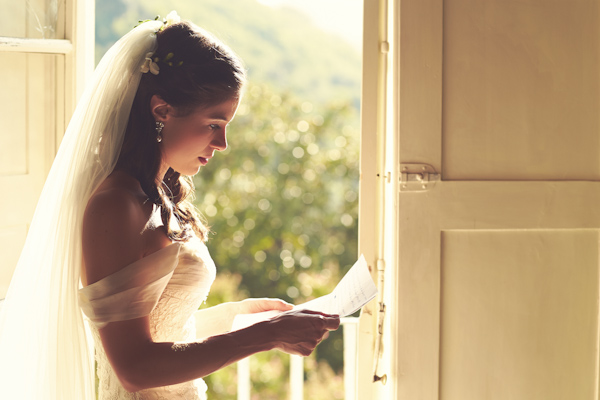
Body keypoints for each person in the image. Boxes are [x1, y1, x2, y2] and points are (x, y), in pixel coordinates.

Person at [0, 12, 339, 400]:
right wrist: (266, 336)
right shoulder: (115, 207)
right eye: (214, 123)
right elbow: (134, 367)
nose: (223, 143)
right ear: (162, 110)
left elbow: (166, 331)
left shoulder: (159, 193)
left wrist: (242, 317)